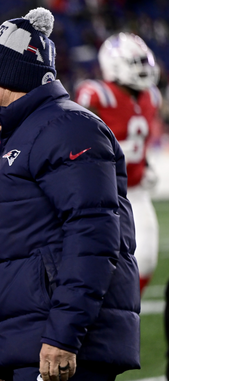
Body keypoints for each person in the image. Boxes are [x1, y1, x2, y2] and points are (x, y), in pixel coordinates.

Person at [0, 8, 140, 381]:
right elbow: (23, 261)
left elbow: (95, 238)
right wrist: (3, 358)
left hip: (65, 345)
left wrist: (63, 334)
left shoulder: (66, 127)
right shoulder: (33, 135)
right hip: (44, 342)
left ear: (7, 77)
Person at [75, 32, 163, 295]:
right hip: (103, 190)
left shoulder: (151, 97)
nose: (143, 70)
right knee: (96, 262)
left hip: (135, 189)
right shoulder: (96, 94)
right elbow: (81, 138)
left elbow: (139, 141)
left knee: (146, 259)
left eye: (144, 62)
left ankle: (127, 311)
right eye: (136, 63)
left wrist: (144, 164)